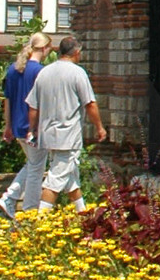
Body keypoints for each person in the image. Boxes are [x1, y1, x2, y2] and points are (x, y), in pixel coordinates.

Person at [27, 33, 106, 210]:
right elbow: (90, 104)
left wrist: (32, 129)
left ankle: (82, 214)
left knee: (70, 177)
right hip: (68, 135)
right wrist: (99, 127)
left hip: (47, 134)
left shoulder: (44, 72)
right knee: (54, 180)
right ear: (76, 52)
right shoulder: (77, 73)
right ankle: (39, 222)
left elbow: (33, 106)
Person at [0, 32, 51, 219]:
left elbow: (8, 99)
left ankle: (10, 197)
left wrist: (8, 125)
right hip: (34, 127)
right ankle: (28, 211)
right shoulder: (40, 71)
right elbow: (41, 102)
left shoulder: (13, 69)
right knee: (36, 170)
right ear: (44, 48)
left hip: (18, 125)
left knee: (32, 164)